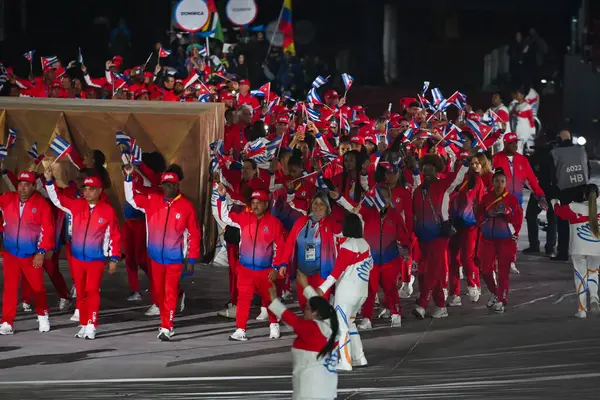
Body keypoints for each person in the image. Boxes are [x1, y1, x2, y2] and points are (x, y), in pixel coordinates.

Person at [124, 164, 201, 341]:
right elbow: (132, 199)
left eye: (171, 185)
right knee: (158, 292)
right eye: (165, 185)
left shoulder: (186, 207)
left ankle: (167, 326)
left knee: (170, 291)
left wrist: (192, 258)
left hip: (174, 259)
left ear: (177, 186)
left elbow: (194, 234)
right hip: (155, 257)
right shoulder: (153, 200)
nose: (168, 188)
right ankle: (165, 317)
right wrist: (128, 179)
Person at [44, 171, 120, 340]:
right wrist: (49, 181)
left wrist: (113, 258)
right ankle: (84, 324)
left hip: (96, 259)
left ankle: (92, 324)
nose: (87, 192)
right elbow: (57, 200)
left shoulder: (108, 211)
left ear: (100, 191)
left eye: (91, 189)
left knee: (92, 290)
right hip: (78, 257)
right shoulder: (77, 205)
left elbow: (114, 235)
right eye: (85, 188)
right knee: (81, 292)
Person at [332, 184, 410, 329]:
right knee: (368, 289)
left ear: (389, 199)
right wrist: (340, 198)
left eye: (386, 197)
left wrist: (406, 248)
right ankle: (367, 318)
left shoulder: (395, 215)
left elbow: (403, 235)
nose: (383, 199)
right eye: (380, 196)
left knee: (390, 288)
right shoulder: (369, 213)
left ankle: (396, 314)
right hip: (371, 260)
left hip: (390, 259)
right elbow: (353, 207)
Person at [216, 184, 285, 341]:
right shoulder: (244, 219)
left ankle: (274, 325)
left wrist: (276, 267)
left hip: (265, 270)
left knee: (269, 299)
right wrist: (221, 198)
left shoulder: (274, 223)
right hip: (246, 269)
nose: (255, 205)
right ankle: (240, 330)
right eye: (253, 202)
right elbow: (225, 217)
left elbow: (281, 247)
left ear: (266, 204)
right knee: (243, 299)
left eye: (259, 202)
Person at [412, 154, 469, 319]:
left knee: (431, 271)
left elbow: (457, 178)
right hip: (423, 236)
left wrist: (465, 162)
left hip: (440, 235)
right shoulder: (417, 190)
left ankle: (422, 304)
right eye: (425, 171)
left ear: (437, 171)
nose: (427, 173)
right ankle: (441, 306)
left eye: (431, 170)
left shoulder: (444, 185)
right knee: (428, 272)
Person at [267, 272, 339, 400]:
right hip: (327, 390)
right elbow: (321, 305)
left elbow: (292, 320)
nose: (303, 311)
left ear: (315, 313)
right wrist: (305, 287)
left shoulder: (312, 329)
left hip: (309, 391)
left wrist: (273, 299)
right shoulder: (331, 328)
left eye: (306, 308)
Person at [0, 171, 55, 335]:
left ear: (33, 186)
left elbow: (48, 229)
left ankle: (42, 315)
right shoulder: (7, 198)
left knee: (37, 287)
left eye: (26, 185)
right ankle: (7, 322)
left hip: (32, 254)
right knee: (9, 288)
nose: (22, 188)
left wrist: (42, 251)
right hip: (11, 253)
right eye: (20, 184)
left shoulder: (42, 205)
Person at [315, 213, 372, 371]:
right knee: (350, 323)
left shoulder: (348, 246)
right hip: (362, 292)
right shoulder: (365, 244)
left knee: (341, 326)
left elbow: (336, 272)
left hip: (347, 293)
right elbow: (370, 266)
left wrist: (322, 288)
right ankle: (359, 357)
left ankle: (346, 362)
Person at [274, 192, 340, 309]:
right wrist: (283, 263)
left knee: (320, 304)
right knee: (304, 304)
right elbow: (289, 243)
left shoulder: (330, 223)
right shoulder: (301, 222)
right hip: (303, 271)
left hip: (322, 272)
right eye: (315, 203)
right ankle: (308, 326)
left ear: (327, 207)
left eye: (321, 204)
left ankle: (320, 326)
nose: (318, 207)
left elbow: (340, 230)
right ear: (311, 205)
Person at [477, 168, 523, 314]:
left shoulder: (512, 200)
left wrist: (508, 213)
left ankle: (501, 301)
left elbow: (517, 221)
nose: (499, 184)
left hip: (505, 240)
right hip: (487, 240)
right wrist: (486, 214)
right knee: (485, 270)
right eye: (496, 181)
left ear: (506, 183)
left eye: (502, 181)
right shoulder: (485, 198)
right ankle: (495, 292)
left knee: (503, 272)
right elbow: (477, 218)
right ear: (492, 182)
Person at [553, 184, 600, 318]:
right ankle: (594, 297)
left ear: (584, 195)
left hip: (578, 248)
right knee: (593, 273)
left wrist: (555, 203)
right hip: (597, 248)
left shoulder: (574, 207)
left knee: (580, 276)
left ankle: (582, 310)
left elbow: (559, 213)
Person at [447, 156, 486, 306]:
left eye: (465, 163)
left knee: (467, 258)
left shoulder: (477, 182)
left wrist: (481, 222)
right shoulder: (451, 181)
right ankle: (454, 294)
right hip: (452, 225)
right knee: (453, 260)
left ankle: (473, 285)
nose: (462, 165)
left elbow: (481, 203)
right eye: (459, 163)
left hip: (470, 225)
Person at [547, 130, 590, 261]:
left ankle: (563, 253)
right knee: (582, 222)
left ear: (559, 140)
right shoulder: (581, 150)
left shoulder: (554, 153)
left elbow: (551, 175)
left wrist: (552, 192)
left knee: (563, 223)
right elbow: (588, 170)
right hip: (583, 191)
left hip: (564, 192)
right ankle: (584, 253)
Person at [508, 87, 535, 154]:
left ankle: (519, 162)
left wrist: (533, 131)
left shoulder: (527, 106)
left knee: (518, 146)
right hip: (516, 129)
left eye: (517, 94)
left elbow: (531, 119)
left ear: (522, 95)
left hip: (524, 130)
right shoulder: (515, 106)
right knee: (516, 146)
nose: (516, 96)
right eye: (516, 94)